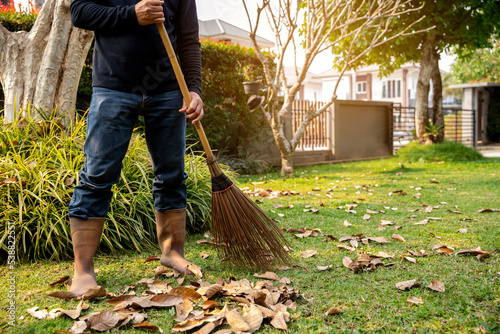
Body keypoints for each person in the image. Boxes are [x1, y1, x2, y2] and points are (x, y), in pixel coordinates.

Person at [68, 0, 204, 297]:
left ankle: (172, 252)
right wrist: (131, 14)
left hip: (169, 90)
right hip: (113, 87)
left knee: (171, 173)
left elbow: (189, 38)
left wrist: (193, 88)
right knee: (97, 176)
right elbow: (79, 11)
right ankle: (83, 269)